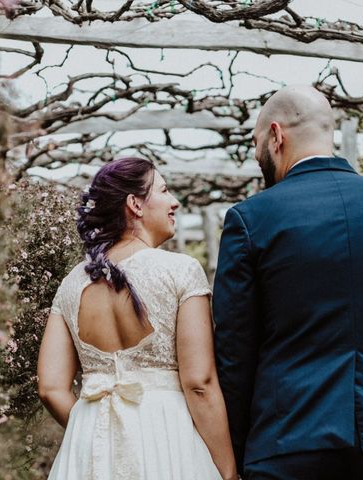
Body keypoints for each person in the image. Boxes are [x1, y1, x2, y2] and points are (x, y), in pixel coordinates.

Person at [213, 85, 363, 480]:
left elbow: (235, 350)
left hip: (287, 444)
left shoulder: (250, 220)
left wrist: (240, 452)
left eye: (256, 143)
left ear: (276, 135)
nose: (257, 156)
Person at [37, 157, 237, 480]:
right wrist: (227, 470)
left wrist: (91, 425)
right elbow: (199, 383)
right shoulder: (181, 272)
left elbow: (50, 387)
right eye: (165, 190)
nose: (175, 202)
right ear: (135, 205)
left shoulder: (72, 285)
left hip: (91, 445)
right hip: (168, 440)